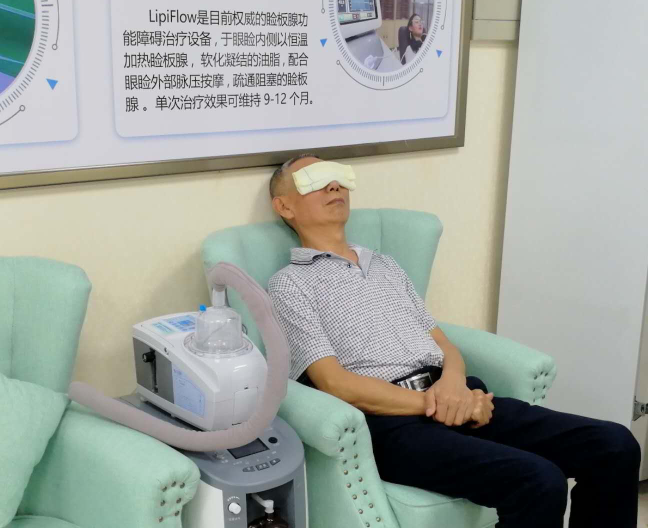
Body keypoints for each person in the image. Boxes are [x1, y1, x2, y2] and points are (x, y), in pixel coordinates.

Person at [267, 153, 640, 528]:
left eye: (337, 177)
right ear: (285, 207)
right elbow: (335, 383)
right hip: (393, 424)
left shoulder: (385, 265)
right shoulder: (290, 284)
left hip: (455, 394)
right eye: (315, 181)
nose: (334, 186)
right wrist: (436, 404)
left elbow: (443, 344)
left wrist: (456, 387)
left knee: (615, 445)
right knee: (539, 481)